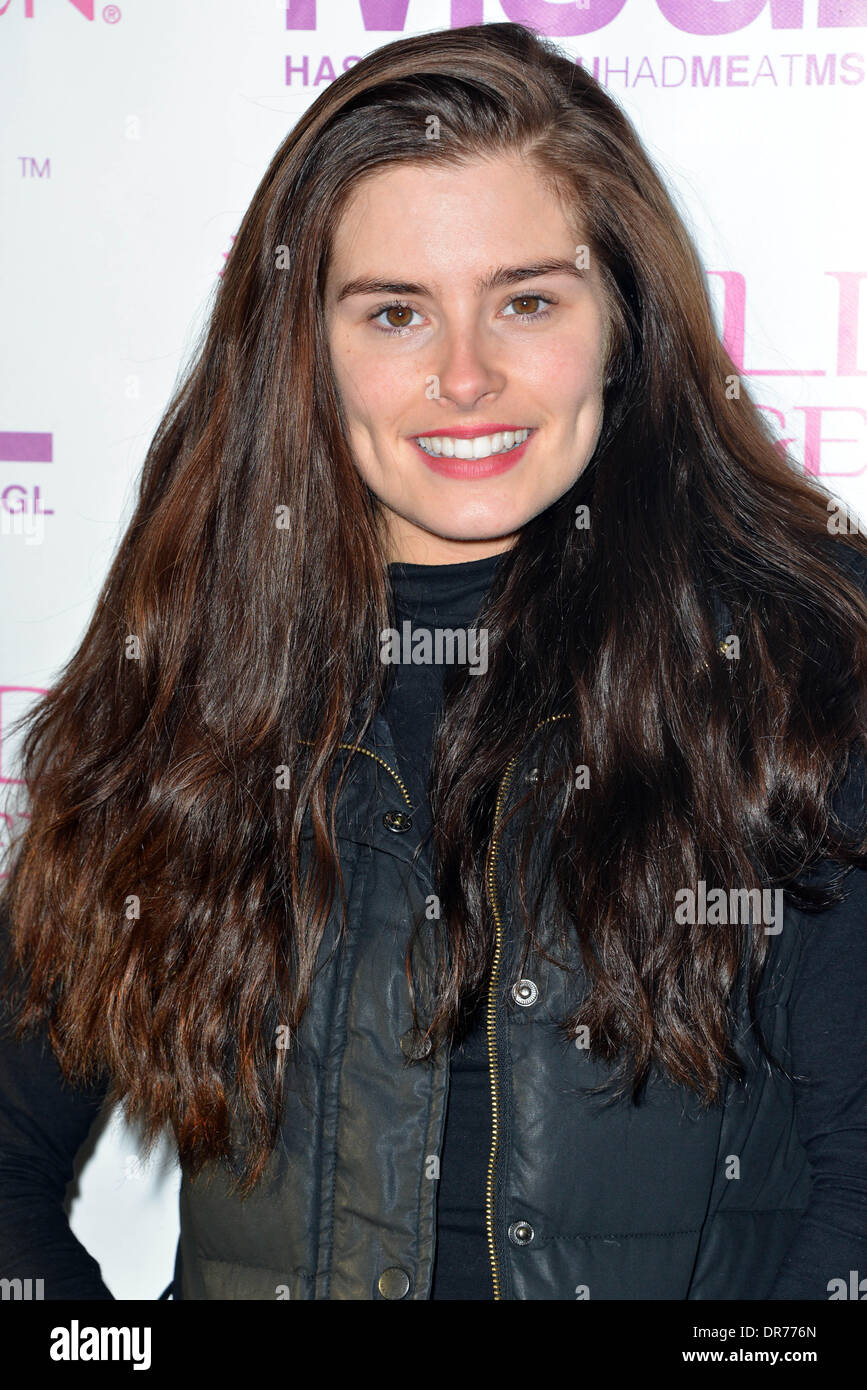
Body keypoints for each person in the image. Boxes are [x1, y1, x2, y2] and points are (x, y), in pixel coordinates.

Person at [1, 20, 866, 1302]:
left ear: (622, 321)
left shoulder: (792, 667)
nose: (467, 376)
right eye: (396, 312)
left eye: (526, 300)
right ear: (305, 345)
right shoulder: (190, 677)